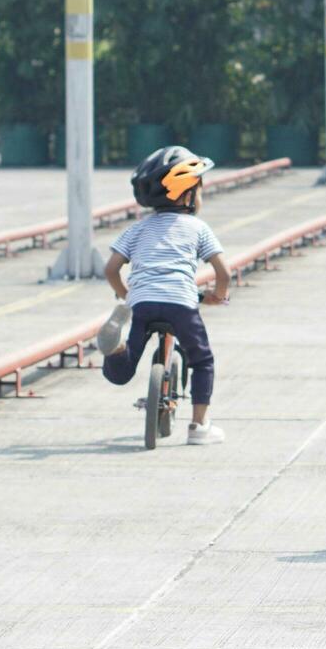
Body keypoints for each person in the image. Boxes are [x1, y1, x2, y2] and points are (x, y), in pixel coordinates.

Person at [97, 145, 231, 445]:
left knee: (125, 367)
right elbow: (223, 273)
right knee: (202, 359)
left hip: (142, 302)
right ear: (186, 194)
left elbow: (111, 269)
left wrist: (126, 296)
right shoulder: (198, 228)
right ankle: (199, 427)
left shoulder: (137, 229)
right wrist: (218, 295)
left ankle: (116, 348)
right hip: (182, 303)